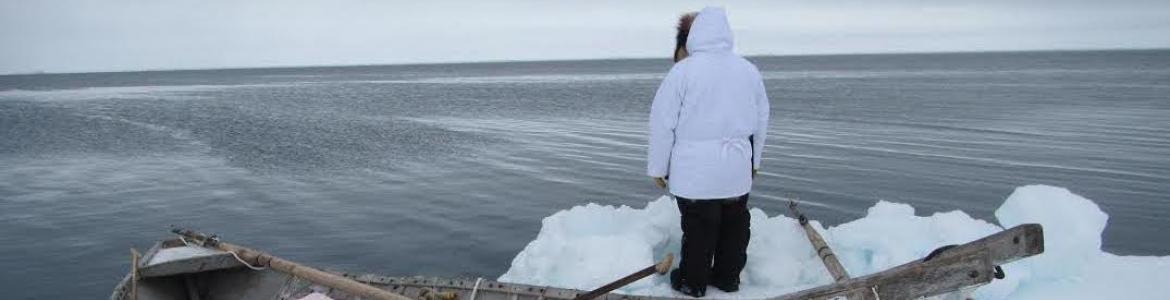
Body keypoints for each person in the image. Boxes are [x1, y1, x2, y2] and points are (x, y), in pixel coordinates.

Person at [646, 7, 770, 298]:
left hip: (694, 170)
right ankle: (728, 278)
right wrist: (755, 161)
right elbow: (762, 119)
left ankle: (693, 281)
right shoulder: (747, 71)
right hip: (736, 167)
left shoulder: (683, 72)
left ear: (695, 36)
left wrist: (658, 167)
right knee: (734, 224)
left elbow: (663, 121)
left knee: (700, 226)